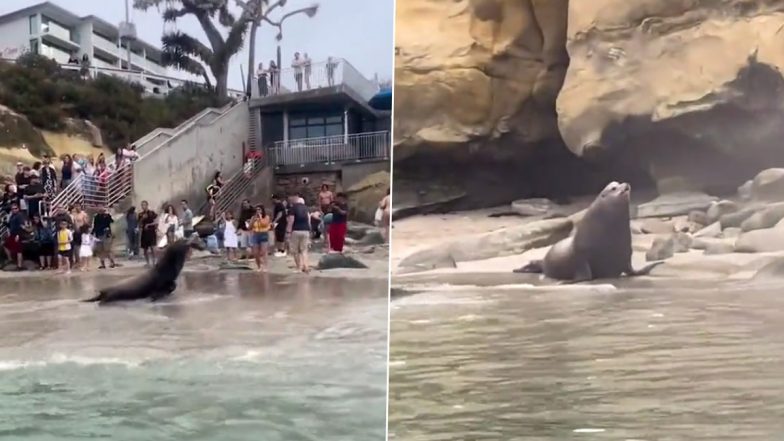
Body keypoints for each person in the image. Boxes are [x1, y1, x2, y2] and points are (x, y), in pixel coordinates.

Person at [286, 196, 311, 273]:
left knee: (295, 250)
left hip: (296, 230)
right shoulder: (306, 208)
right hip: (305, 230)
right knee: (304, 250)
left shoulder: (293, 208)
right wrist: (309, 230)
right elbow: (309, 219)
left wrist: (288, 231)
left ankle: (299, 268)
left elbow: (291, 220)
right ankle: (306, 266)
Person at [248, 204, 271, 271]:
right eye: (257, 210)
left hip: (264, 234)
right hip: (255, 234)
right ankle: (259, 266)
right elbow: (249, 227)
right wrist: (253, 220)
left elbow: (265, 224)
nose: (258, 211)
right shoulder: (253, 217)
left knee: (264, 251)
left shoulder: (266, 217)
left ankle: (265, 266)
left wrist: (260, 218)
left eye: (259, 209)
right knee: (255, 253)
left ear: (262, 210)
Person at [4, 203, 26, 270]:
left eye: (15, 208)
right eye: (13, 209)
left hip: (18, 234)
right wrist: (4, 222)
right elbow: (10, 226)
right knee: (6, 245)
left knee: (19, 250)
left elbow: (22, 226)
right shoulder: (12, 216)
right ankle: (11, 259)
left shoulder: (19, 216)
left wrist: (18, 235)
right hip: (12, 234)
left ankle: (20, 266)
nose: (14, 210)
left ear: (18, 209)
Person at [138, 200, 158, 266]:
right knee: (145, 249)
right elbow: (139, 224)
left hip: (151, 232)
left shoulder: (152, 213)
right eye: (142, 205)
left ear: (147, 205)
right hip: (144, 233)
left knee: (152, 247)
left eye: (144, 205)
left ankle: (154, 262)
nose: (143, 206)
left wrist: (149, 224)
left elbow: (156, 222)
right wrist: (142, 219)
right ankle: (147, 262)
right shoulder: (140, 214)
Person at [70, 203, 89, 267]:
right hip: (75, 231)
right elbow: (72, 222)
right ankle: (77, 261)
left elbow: (86, 223)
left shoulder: (83, 214)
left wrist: (85, 231)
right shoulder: (73, 214)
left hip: (82, 231)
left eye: (78, 206)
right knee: (75, 247)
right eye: (76, 206)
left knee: (82, 247)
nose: (77, 207)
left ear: (80, 207)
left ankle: (84, 262)